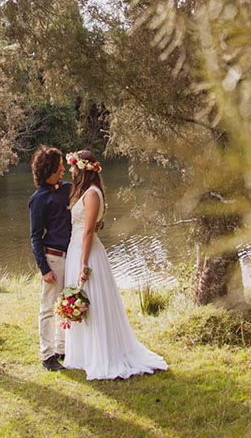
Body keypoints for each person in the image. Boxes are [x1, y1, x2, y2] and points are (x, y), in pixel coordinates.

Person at [63, 150, 168, 380]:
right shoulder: (82, 192)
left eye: (72, 166)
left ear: (82, 169)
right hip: (75, 249)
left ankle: (103, 354)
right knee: (80, 299)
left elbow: (89, 230)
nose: (70, 170)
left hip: (86, 253)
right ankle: (83, 355)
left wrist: (83, 264)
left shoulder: (92, 194)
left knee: (93, 301)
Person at [28, 147, 71, 372]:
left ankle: (63, 348)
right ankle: (47, 356)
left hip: (72, 257)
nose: (63, 169)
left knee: (67, 304)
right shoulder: (38, 200)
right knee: (47, 308)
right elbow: (35, 237)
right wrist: (44, 269)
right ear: (50, 169)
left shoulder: (68, 190)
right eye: (60, 166)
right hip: (53, 258)